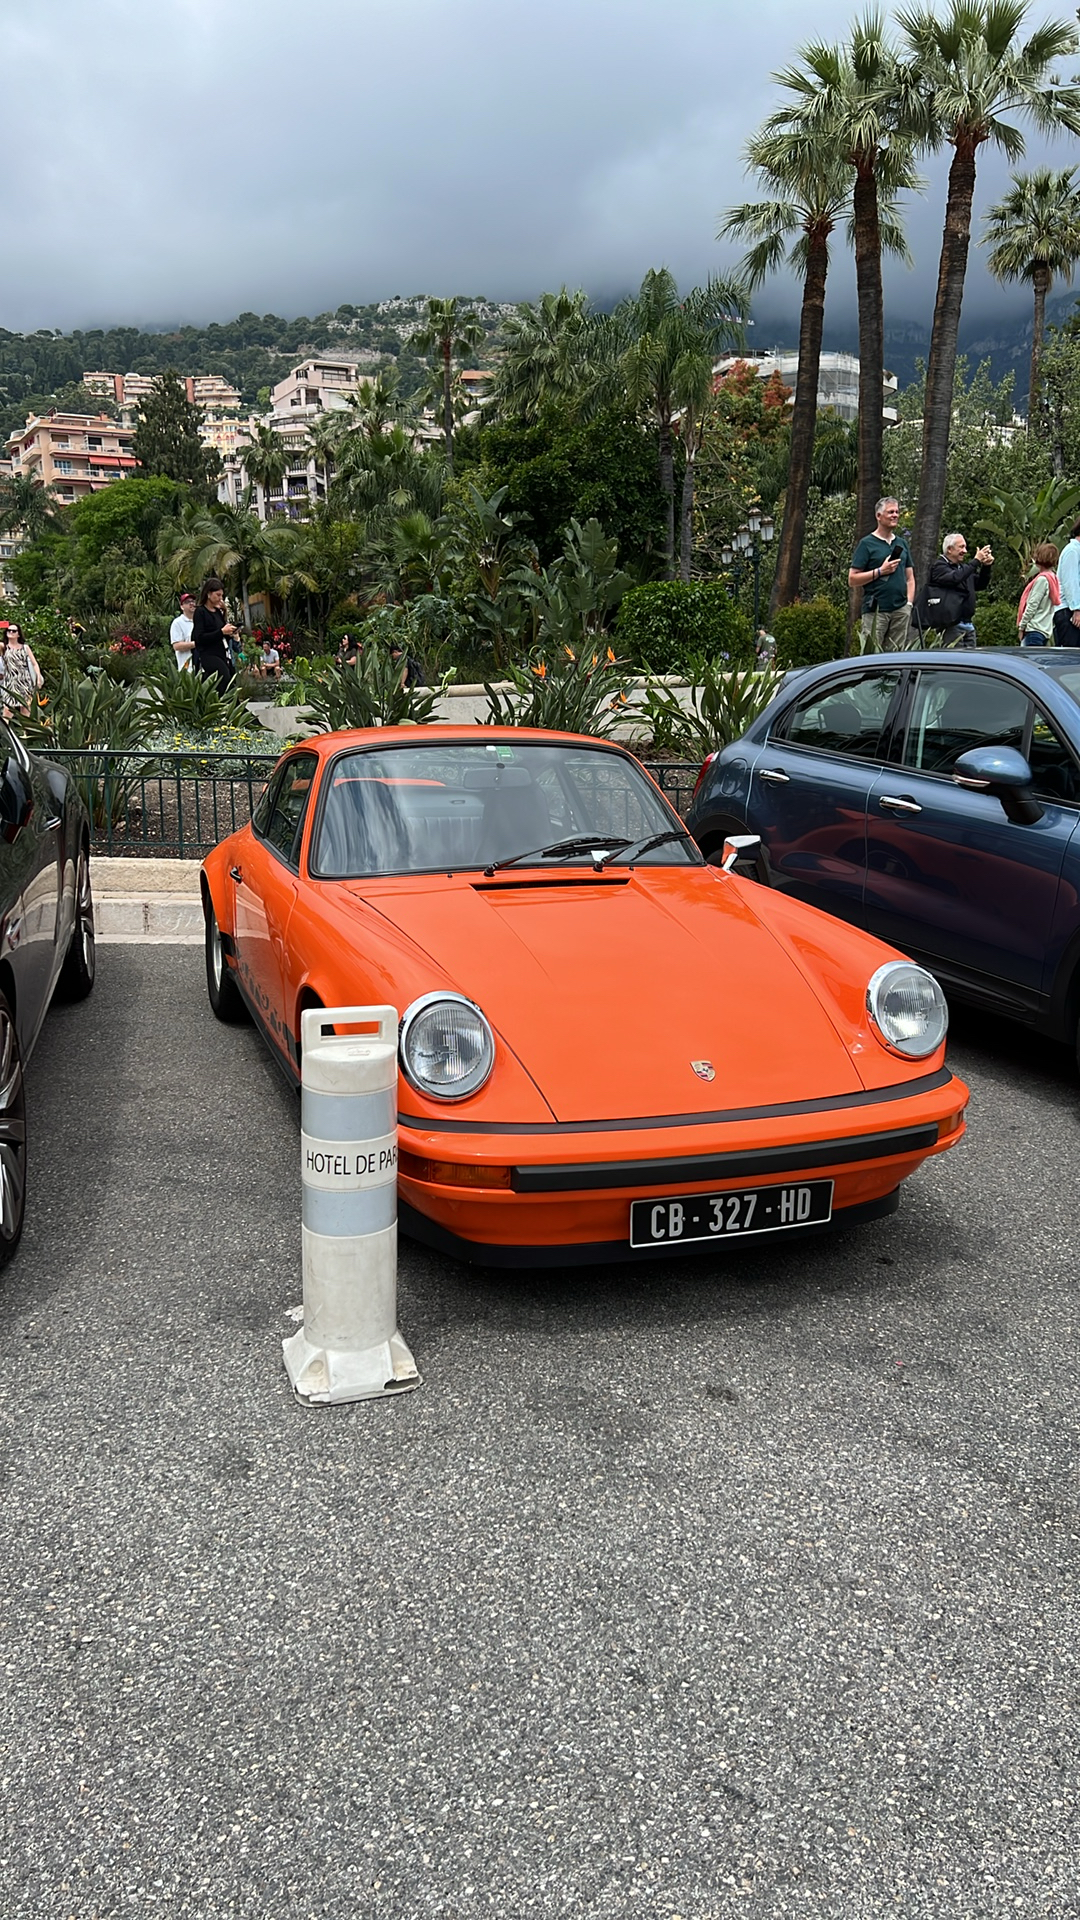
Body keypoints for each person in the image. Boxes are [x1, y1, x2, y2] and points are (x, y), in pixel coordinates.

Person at [849, 496, 915, 649]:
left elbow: (910, 578)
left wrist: (909, 604)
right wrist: (880, 571)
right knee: (872, 659)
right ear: (878, 516)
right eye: (890, 512)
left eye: (897, 512)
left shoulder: (901, 543)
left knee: (895, 658)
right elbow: (852, 579)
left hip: (900, 610)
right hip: (875, 612)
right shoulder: (866, 544)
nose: (895, 515)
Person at [916, 533, 993, 647]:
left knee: (971, 662)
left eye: (965, 547)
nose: (965, 551)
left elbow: (980, 584)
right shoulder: (939, 567)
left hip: (968, 624)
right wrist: (976, 561)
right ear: (949, 549)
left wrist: (986, 566)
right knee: (956, 661)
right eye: (961, 547)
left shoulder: (962, 568)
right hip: (951, 625)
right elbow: (955, 578)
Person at [191, 578, 237, 691]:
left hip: (221, 652)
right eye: (218, 595)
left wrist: (230, 632)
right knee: (224, 677)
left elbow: (222, 634)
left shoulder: (217, 612)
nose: (220, 598)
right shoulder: (200, 612)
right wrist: (221, 632)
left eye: (221, 596)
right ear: (209, 594)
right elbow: (199, 638)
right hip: (208, 654)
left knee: (230, 680)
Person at [1017, 543, 1061, 647]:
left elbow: (1032, 605)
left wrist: (1022, 626)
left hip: (1034, 629)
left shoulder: (1042, 580)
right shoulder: (1053, 578)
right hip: (1044, 629)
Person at [2, 622, 43, 719]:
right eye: (9, 630)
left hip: (24, 681)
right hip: (10, 682)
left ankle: (26, 733)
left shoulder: (25, 647)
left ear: (18, 634)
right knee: (7, 711)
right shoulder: (3, 647)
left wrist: (38, 678)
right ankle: (5, 733)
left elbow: (34, 664)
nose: (11, 632)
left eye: (14, 631)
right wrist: (3, 624)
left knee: (25, 710)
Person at [1054, 518, 1080, 645]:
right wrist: (1077, 609)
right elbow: (1071, 581)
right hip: (1068, 611)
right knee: (1070, 657)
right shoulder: (1072, 550)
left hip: (1073, 610)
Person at [169, 591, 196, 672]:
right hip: (187, 670)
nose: (191, 603)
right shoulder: (177, 623)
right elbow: (176, 646)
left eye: (193, 601)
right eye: (187, 602)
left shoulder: (200, 620)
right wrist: (196, 643)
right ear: (182, 607)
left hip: (203, 668)